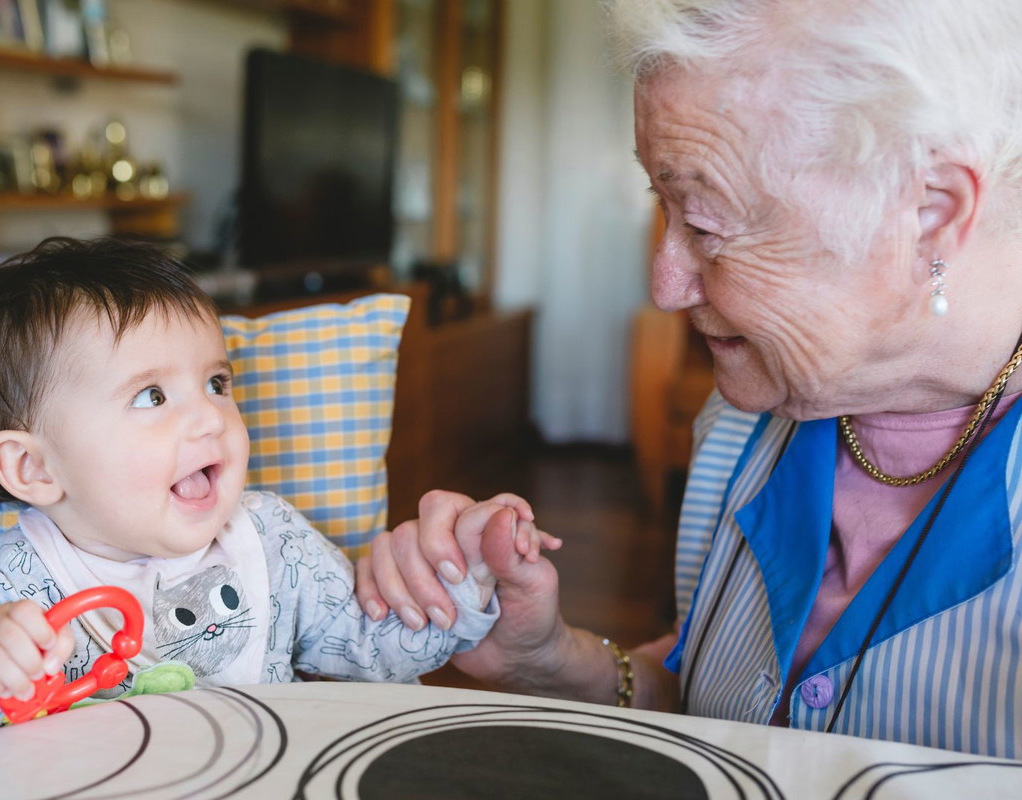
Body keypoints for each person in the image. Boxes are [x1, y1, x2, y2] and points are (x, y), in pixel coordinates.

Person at [354, 0, 1022, 759]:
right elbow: (716, 704)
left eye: (705, 224)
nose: (666, 283)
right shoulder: (741, 418)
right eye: (660, 204)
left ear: (930, 212)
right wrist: (546, 658)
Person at [0, 237, 542, 749]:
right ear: (34, 468)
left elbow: (374, 651)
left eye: (216, 383)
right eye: (152, 396)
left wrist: (465, 573)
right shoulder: (7, 587)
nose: (211, 418)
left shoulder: (268, 538)